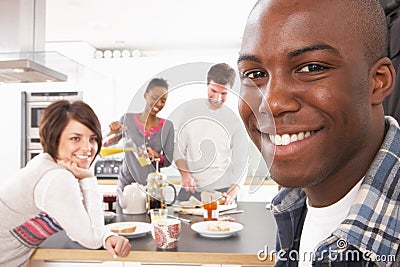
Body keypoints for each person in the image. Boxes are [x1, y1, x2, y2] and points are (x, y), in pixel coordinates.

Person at [238, 0, 399, 265]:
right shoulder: (291, 206)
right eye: (255, 73)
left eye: (312, 68)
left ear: (378, 81)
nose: (273, 102)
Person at [0, 100, 131, 266]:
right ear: (55, 140)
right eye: (75, 138)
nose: (88, 148)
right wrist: (89, 178)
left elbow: (75, 224)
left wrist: (107, 236)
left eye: (92, 139)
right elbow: (92, 240)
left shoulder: (45, 163)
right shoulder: (57, 177)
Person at [174, 63, 248, 205]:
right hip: (192, 189)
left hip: (223, 190)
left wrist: (233, 191)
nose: (217, 98)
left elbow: (242, 162)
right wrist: (185, 175)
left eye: (224, 93)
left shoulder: (235, 120)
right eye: (213, 90)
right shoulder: (189, 112)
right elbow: (178, 150)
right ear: (207, 85)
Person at [108, 78, 174, 188]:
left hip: (152, 187)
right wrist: (112, 133)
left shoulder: (168, 126)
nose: (158, 103)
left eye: (163, 100)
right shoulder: (126, 119)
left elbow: (168, 161)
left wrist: (155, 154)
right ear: (145, 95)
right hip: (126, 186)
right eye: (154, 98)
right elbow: (108, 145)